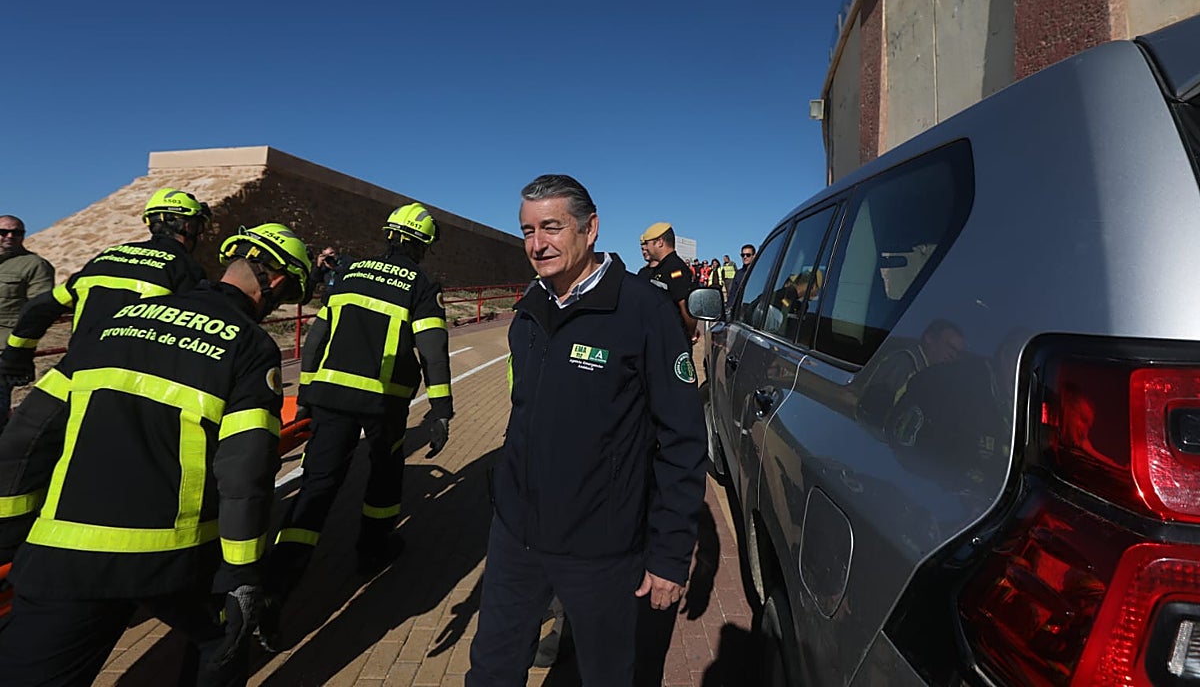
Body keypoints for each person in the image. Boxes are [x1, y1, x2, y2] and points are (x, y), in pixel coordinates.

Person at [0, 222, 313, 687]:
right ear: (279, 284)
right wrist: (244, 574)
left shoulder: (117, 322)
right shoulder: (249, 345)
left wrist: (11, 535)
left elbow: (26, 436)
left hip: (66, 550)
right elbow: (246, 471)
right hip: (176, 558)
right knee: (221, 645)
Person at [466, 174, 707, 686]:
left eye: (551, 227)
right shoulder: (528, 311)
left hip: (602, 544)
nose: (537, 244)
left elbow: (682, 440)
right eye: (527, 231)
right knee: (491, 669)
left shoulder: (645, 311)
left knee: (605, 674)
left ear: (590, 228)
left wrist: (668, 553)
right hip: (516, 534)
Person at [260, 202, 454, 643]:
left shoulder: (349, 273)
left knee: (317, 487)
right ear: (422, 246)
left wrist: (306, 393)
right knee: (384, 477)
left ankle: (276, 586)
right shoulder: (421, 284)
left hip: (328, 396)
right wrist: (441, 409)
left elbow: (317, 338)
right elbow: (433, 349)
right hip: (382, 403)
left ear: (388, 235)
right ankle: (373, 550)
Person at [0, 189, 210, 388]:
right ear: (188, 226)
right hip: (129, 383)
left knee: (26, 426)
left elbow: (39, 307)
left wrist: (17, 356)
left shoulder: (108, 256)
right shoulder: (186, 269)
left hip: (72, 375)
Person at [0, 215, 55, 428]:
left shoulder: (34, 266)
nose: (10, 236)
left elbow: (39, 310)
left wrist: (19, 351)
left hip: (4, 350)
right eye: (3, 232)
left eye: (17, 232)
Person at [638, 222, 698, 343]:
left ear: (660, 242)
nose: (646, 248)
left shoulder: (676, 269)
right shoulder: (657, 269)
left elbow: (686, 308)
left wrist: (689, 334)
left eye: (648, 243)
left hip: (672, 340)